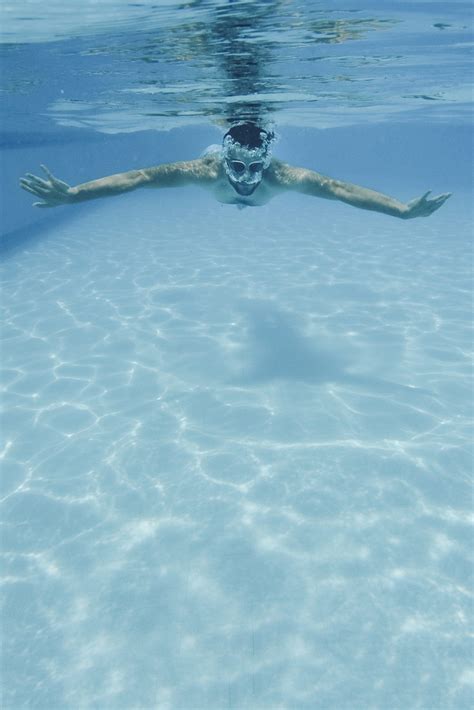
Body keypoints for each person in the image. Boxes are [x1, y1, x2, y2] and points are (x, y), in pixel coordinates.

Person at [20, 122, 451, 218]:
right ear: (224, 160)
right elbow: (140, 178)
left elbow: (337, 188)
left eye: (254, 167)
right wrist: (76, 194)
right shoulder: (206, 170)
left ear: (267, 162)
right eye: (237, 166)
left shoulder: (281, 176)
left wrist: (401, 210)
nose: (245, 176)